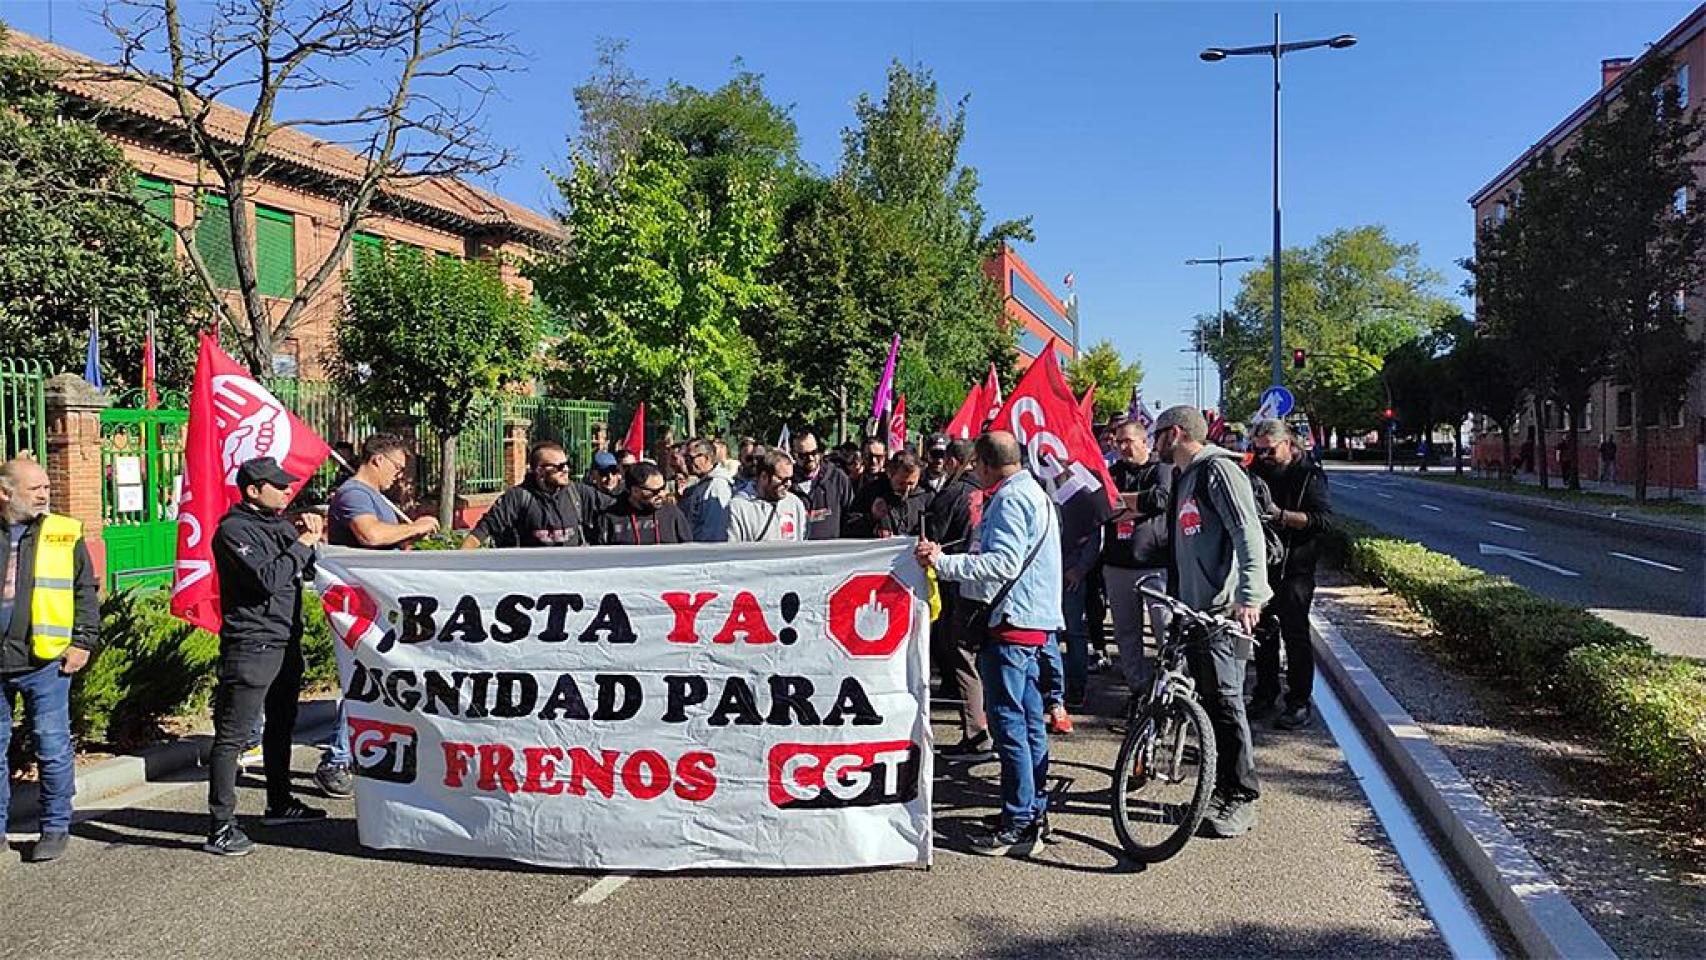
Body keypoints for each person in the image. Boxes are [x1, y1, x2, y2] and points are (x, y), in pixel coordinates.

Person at [916, 432, 1061, 857]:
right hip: (1032, 621)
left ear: (982, 462)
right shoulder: (1034, 492)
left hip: (1012, 623)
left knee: (1009, 725)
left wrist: (941, 563)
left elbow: (1002, 563)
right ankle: (1031, 810)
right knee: (1029, 723)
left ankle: (1017, 822)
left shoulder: (1011, 500)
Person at [1153, 405, 1271, 840]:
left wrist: (1250, 596)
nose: (1154, 442)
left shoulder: (1217, 471)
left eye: (1158, 434)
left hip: (1222, 614)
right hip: (1195, 614)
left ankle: (1242, 797)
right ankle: (1219, 789)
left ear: (1177, 433)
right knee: (1211, 707)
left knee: (1226, 703)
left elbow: (1247, 530)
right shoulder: (1186, 477)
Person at [204, 457, 328, 857]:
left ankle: (279, 801)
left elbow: (307, 573)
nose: (287, 490)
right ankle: (220, 826)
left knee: (282, 724)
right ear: (254, 490)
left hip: (285, 640)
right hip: (252, 644)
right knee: (233, 737)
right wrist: (301, 543)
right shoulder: (233, 531)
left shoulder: (279, 526)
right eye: (277, 485)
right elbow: (267, 580)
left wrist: (311, 542)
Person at [319, 434, 438, 796]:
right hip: (358, 605)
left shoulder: (375, 497)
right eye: (397, 468)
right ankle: (337, 759)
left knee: (372, 680)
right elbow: (370, 535)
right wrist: (415, 527)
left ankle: (356, 753)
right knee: (364, 680)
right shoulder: (355, 494)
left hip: (375, 604)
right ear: (377, 460)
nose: (399, 477)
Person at [0, 458, 99, 863]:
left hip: (47, 662)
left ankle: (55, 827)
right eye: (34, 488)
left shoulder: (63, 533)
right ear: (5, 493)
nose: (44, 494)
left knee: (53, 746)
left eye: (46, 487)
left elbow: (85, 593)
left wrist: (83, 642)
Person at [1247, 419, 1332, 731]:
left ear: (1288, 445)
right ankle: (1265, 693)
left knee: (1295, 635)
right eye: (1258, 450)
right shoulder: (1254, 470)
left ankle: (1298, 700)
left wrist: (1281, 515)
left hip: (1296, 568)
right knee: (1262, 633)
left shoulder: (1310, 475)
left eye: (1269, 450)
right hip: (1261, 567)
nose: (1263, 456)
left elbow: (1322, 521)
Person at [924, 439, 991, 760]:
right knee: (982, 656)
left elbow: (930, 534)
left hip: (956, 581)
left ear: (952, 461)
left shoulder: (951, 494)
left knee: (962, 656)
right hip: (988, 585)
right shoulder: (991, 492)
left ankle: (977, 734)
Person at [1100, 420, 1172, 711]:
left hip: (1155, 565)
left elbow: (1160, 500)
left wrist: (1123, 503)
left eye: (1129, 441)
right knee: (1126, 634)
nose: (1123, 447)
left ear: (1145, 442)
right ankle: (1139, 691)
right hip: (1117, 565)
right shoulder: (1113, 473)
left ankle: (1168, 692)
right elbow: (1104, 507)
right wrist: (1133, 506)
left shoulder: (1162, 470)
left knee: (1163, 631)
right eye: (1119, 442)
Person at [464, 442, 600, 549]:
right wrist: (457, 565)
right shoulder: (518, 497)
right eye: (559, 467)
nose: (566, 470)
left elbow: (614, 504)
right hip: (531, 578)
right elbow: (483, 530)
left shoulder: (577, 493)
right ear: (540, 470)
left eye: (567, 465)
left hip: (570, 578)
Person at [595, 463, 691, 545]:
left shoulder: (672, 514)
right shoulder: (610, 517)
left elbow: (688, 549)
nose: (662, 494)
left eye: (663, 488)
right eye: (655, 491)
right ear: (635, 490)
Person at [726, 450, 809, 543]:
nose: (788, 484)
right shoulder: (738, 507)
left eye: (790, 478)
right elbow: (732, 549)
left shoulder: (795, 504)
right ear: (764, 477)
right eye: (782, 479)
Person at [846, 451, 931, 539]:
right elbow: (849, 528)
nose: (906, 490)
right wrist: (872, 517)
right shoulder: (870, 493)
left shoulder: (925, 495)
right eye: (901, 483)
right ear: (890, 474)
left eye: (911, 483)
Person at [792, 431, 853, 540]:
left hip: (831, 551)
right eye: (804, 455)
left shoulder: (837, 477)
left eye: (814, 452)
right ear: (794, 455)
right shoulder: (788, 482)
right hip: (799, 551)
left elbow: (851, 515)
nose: (810, 458)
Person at [679, 437, 737, 542]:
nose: (687, 463)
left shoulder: (717, 486)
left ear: (706, 458)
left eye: (690, 458)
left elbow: (715, 529)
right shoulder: (703, 484)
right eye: (685, 458)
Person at [587, 451, 625, 515]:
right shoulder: (588, 498)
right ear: (594, 475)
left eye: (613, 471)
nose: (610, 477)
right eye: (604, 472)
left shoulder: (625, 496)